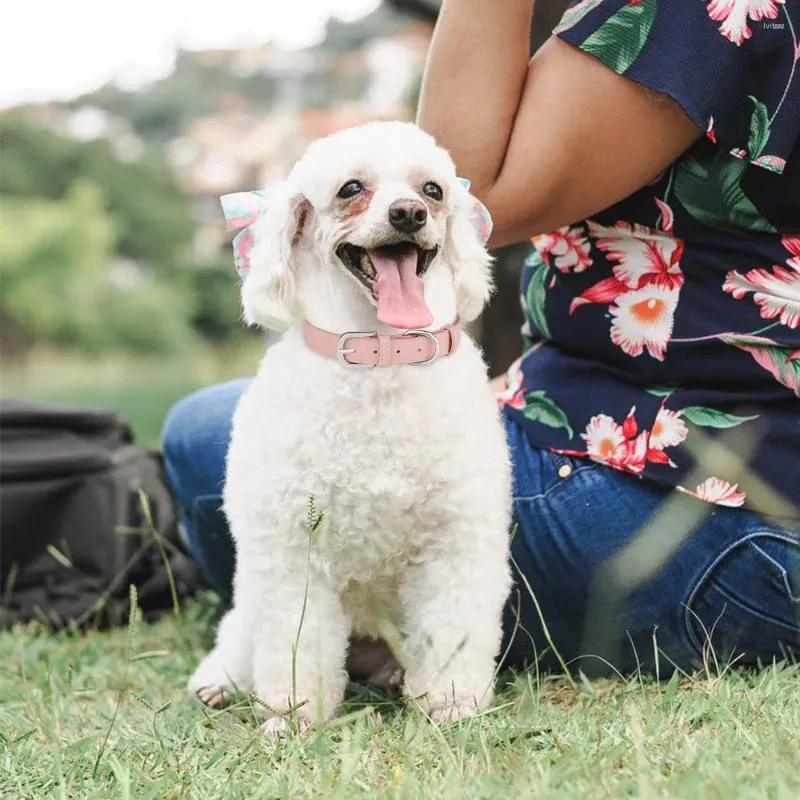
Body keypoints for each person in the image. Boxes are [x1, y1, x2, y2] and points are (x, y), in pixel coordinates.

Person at [162, 0, 800, 677]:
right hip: (746, 487)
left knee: (208, 435)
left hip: (731, 520)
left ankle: (382, 633)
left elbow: (463, 191)